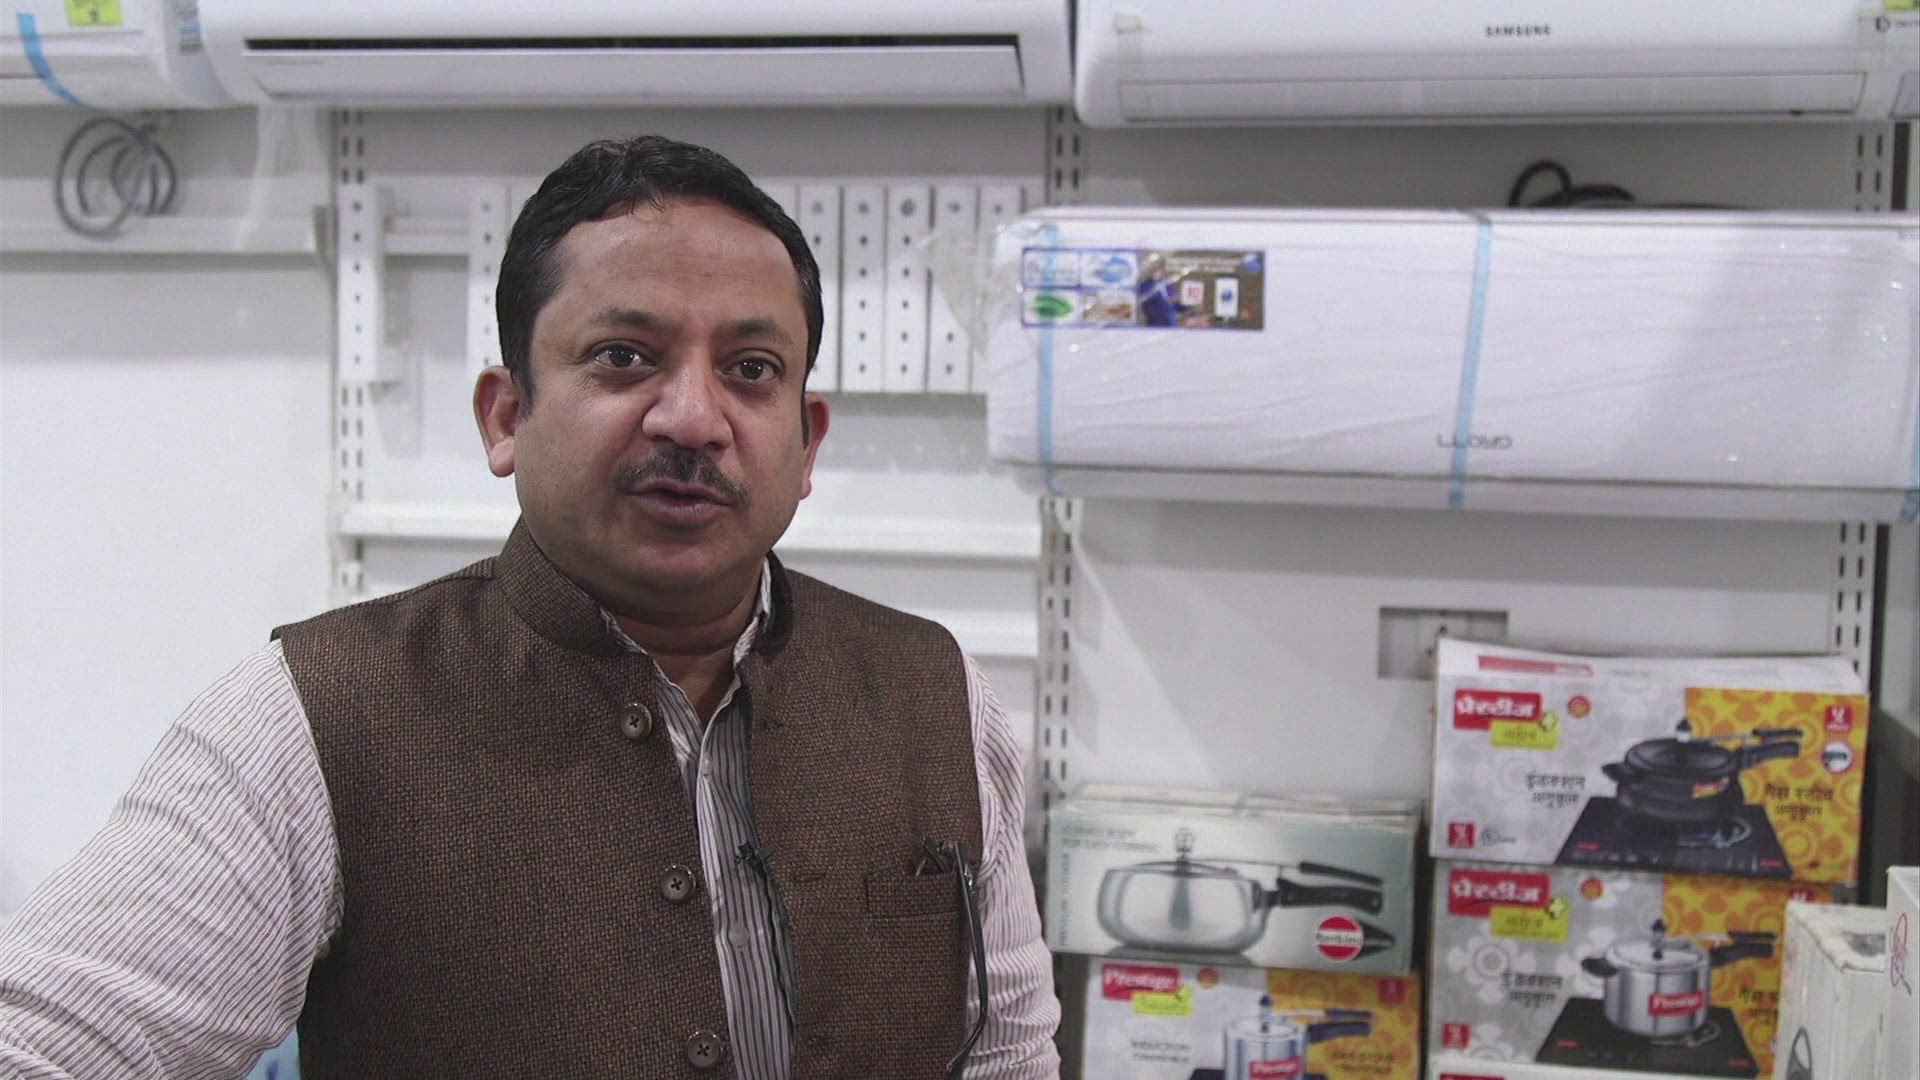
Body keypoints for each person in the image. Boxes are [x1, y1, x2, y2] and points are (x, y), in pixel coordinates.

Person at [0, 135, 1061, 1078]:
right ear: (507, 416)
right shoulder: (317, 718)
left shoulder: (934, 697)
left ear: (807, 440)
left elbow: (1009, 1055)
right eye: (624, 357)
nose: (694, 417)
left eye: (751, 369)